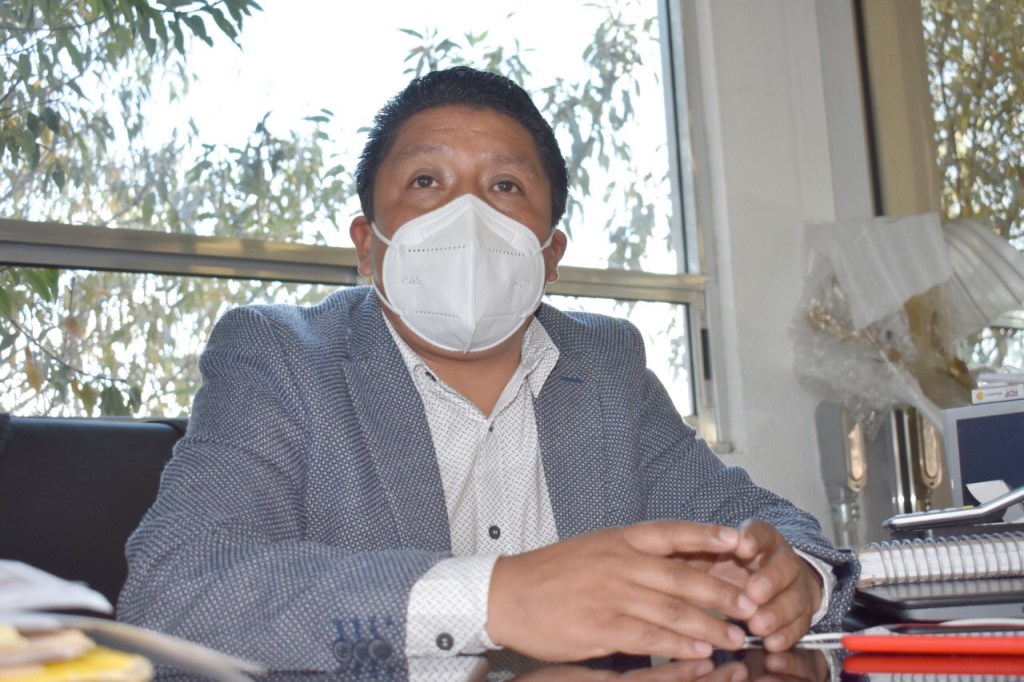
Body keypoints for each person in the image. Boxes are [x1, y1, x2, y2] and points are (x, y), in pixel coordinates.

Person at [118, 66, 856, 678]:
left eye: (505, 187)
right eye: (426, 181)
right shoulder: (279, 355)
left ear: (550, 255)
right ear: (368, 246)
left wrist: (795, 578)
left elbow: (757, 522)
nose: (467, 216)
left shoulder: (606, 366)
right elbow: (175, 590)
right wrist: (494, 598)